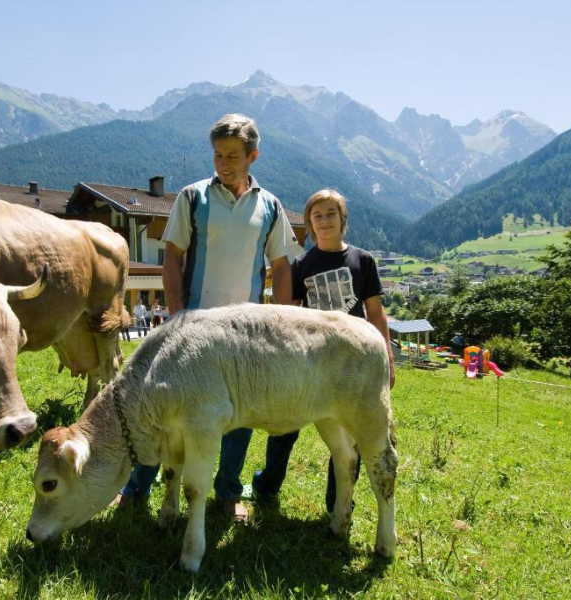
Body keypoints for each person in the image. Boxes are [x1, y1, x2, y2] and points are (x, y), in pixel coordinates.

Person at [117, 113, 296, 521]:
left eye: (233, 155)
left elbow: (282, 266)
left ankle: (229, 492)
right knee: (163, 412)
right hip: (192, 330)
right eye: (218, 154)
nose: (223, 163)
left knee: (241, 413)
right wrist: (178, 316)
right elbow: (173, 257)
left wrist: (280, 322)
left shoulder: (269, 205)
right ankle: (136, 487)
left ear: (253, 156)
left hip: (246, 335)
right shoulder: (192, 197)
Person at [251, 189, 396, 513]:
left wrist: (387, 358)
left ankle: (338, 503)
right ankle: (267, 484)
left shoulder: (363, 261)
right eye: (317, 216)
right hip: (310, 365)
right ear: (309, 225)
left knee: (347, 437)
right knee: (283, 426)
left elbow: (375, 313)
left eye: (331, 214)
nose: (324, 221)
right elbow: (292, 316)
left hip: (351, 365)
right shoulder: (302, 264)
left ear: (343, 219)